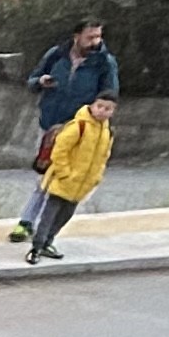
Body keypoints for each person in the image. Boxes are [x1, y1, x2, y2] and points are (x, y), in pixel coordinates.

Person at [13, 20, 119, 229]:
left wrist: (96, 123)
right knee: (45, 174)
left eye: (98, 36)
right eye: (90, 37)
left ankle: (35, 225)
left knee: (63, 179)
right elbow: (32, 81)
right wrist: (40, 82)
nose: (95, 42)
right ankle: (30, 224)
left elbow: (109, 97)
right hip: (50, 125)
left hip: (79, 130)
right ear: (76, 36)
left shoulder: (105, 63)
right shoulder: (56, 55)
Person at [24, 94, 117, 263]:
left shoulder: (107, 132)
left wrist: (96, 177)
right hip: (64, 181)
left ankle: (47, 243)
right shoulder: (79, 126)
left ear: (112, 111)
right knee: (49, 215)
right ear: (92, 105)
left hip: (81, 185)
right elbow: (60, 150)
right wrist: (65, 173)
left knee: (64, 216)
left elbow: (103, 157)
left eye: (107, 108)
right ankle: (36, 248)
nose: (102, 111)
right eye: (100, 106)